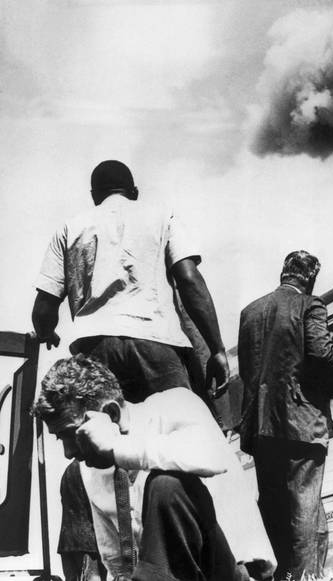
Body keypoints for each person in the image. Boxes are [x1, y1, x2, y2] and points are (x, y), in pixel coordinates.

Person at [31, 159, 231, 577]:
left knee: (100, 459)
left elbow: (44, 306)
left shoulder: (71, 227)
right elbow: (189, 279)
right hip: (156, 343)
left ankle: (121, 568)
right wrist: (215, 349)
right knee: (183, 440)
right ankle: (212, 558)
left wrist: (47, 333)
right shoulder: (160, 214)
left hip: (94, 348)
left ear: (94, 195)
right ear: (133, 190)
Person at [32, 354, 274, 581]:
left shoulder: (175, 405)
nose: (69, 452)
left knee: (166, 486)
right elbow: (116, 562)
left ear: (111, 414)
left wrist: (118, 447)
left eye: (71, 434)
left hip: (227, 571)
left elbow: (213, 458)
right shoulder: (89, 468)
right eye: (59, 438)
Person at [238, 250, 333, 581]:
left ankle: (278, 575)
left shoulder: (249, 313)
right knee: (303, 504)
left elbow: (247, 370)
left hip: (260, 426)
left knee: (273, 506)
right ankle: (304, 578)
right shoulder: (310, 305)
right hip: (300, 423)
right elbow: (321, 355)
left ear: (284, 273)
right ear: (310, 279)